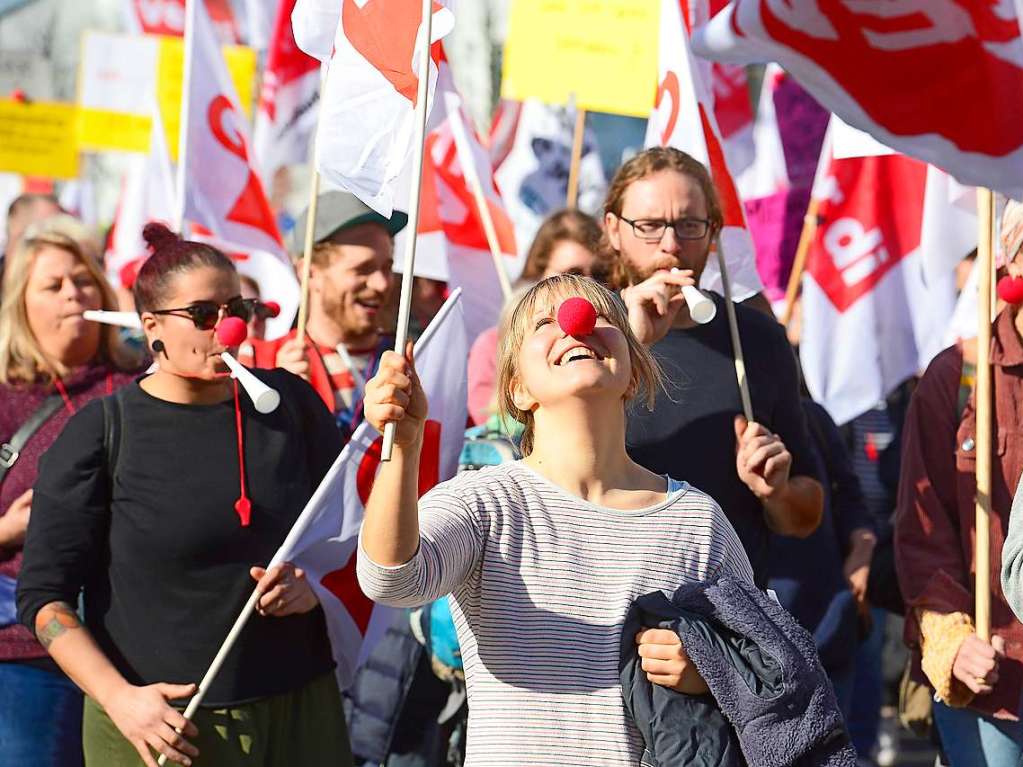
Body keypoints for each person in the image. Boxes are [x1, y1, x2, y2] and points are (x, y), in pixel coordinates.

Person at [357, 273, 755, 764]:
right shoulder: (484, 501)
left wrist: (706, 667)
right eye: (545, 322)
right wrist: (405, 444)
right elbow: (390, 579)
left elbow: (760, 663)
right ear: (518, 389)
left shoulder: (697, 519)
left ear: (633, 371)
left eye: (604, 318)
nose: (577, 324)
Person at [16, 224, 352, 767]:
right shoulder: (101, 432)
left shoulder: (292, 406)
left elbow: (351, 532)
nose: (230, 329)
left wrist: (314, 586)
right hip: (165, 728)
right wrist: (120, 699)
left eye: (236, 306)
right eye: (202, 315)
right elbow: (44, 599)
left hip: (299, 710)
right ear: (153, 328)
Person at [604, 146, 822, 584]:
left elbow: (807, 512)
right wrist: (631, 344)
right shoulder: (584, 332)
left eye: (689, 225)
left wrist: (774, 492)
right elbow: (540, 467)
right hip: (606, 606)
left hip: (726, 614)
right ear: (614, 230)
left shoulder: (757, 339)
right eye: (648, 226)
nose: (670, 245)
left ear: (714, 233)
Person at [0, 222, 140, 767]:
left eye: (84, 282)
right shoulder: (6, 397)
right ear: (21, 304)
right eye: (53, 285)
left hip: (127, 647)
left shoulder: (141, 385)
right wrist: (8, 531)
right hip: (26, 655)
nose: (73, 295)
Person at [898, 203, 1023, 767]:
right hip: (993, 689)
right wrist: (954, 643)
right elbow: (922, 542)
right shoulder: (956, 379)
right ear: (1006, 259)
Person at [252, 190, 407, 442]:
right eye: (363, 269)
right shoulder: (258, 360)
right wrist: (281, 396)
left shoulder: (413, 359)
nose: (381, 283)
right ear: (309, 273)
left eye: (386, 268)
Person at [467, 208, 605, 425]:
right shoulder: (492, 344)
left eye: (600, 274)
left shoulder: (611, 341)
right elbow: (484, 420)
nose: (588, 286)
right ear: (538, 273)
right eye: (573, 274)